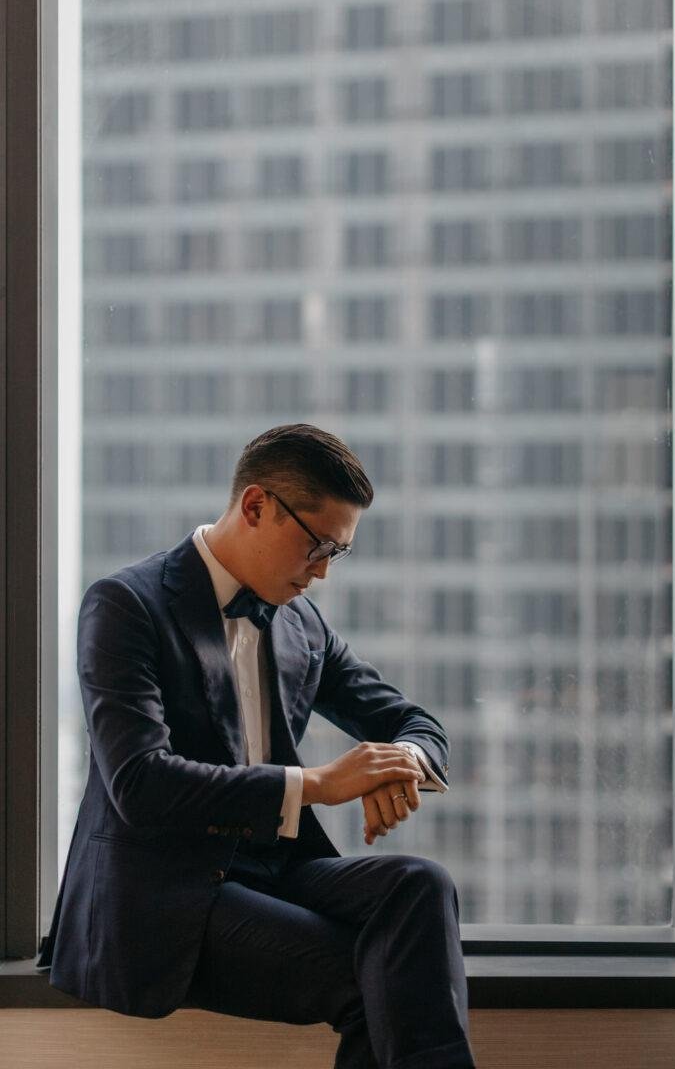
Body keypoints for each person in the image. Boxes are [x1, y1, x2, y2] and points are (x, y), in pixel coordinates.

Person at [37, 423, 476, 1069]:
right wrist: (318, 785)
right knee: (374, 977)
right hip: (167, 894)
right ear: (255, 506)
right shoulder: (126, 605)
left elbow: (413, 721)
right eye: (317, 545)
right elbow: (141, 783)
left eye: (337, 553)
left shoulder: (301, 622)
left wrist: (402, 761)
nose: (322, 572)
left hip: (274, 871)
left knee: (421, 883)